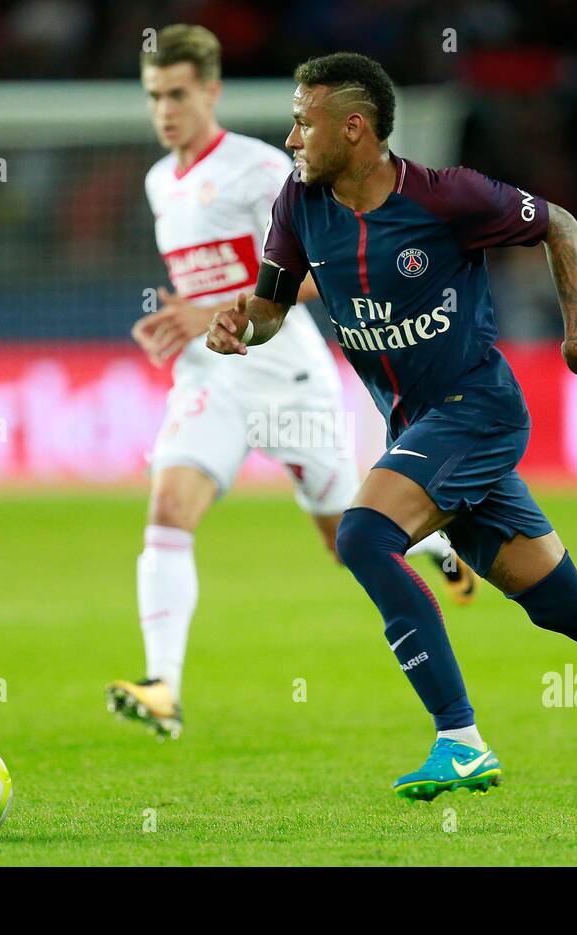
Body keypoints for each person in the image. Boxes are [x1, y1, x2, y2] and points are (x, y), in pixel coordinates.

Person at [207, 52, 577, 827]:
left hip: (479, 410)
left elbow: (558, 223)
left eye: (305, 119)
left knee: (364, 536)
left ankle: (460, 738)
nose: (293, 135)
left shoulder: (447, 196)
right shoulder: (300, 206)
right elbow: (270, 307)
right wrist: (244, 322)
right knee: (562, 604)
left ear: (355, 128)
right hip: (423, 430)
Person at [106, 28, 471, 741]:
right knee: (168, 510)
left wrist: (210, 308)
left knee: (345, 540)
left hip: (286, 376)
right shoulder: (158, 181)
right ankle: (162, 689)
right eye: (154, 96)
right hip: (211, 380)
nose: (165, 110)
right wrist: (185, 319)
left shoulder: (257, 168)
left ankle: (436, 545)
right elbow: (204, 285)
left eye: (178, 94)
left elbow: (319, 269)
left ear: (210, 91)